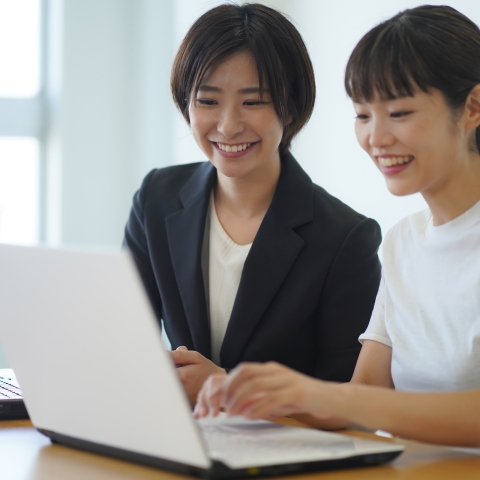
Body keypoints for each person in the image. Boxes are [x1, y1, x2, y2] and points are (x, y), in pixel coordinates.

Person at [195, 5, 480, 447]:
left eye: (399, 113)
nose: (377, 138)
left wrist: (324, 395)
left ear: (473, 108)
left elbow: (360, 405)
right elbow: (365, 394)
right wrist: (256, 393)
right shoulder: (404, 240)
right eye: (363, 115)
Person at [124, 3, 381, 405]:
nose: (227, 125)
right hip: (179, 441)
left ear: (291, 107)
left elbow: (350, 403)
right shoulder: (156, 199)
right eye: (208, 101)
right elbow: (125, 339)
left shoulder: (345, 238)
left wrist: (228, 390)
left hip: (286, 454)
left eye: (253, 101)